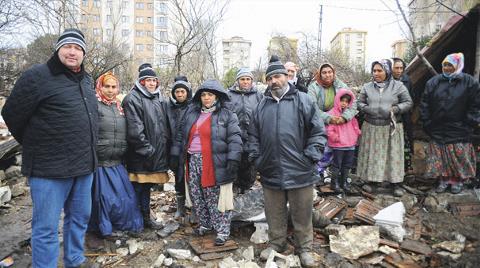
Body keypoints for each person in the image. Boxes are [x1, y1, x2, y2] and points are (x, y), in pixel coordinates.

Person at [2, 29, 97, 267]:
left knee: (79, 219)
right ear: (58, 49)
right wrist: (37, 144)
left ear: (84, 52)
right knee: (46, 227)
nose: (72, 51)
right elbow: (11, 114)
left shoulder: (86, 80)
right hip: (48, 170)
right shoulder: (37, 76)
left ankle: (75, 259)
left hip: (84, 166)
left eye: (78, 47)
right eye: (67, 46)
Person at [248, 55, 326, 268]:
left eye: (278, 76)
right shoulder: (261, 106)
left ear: (287, 77)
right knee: (275, 213)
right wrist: (257, 159)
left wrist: (310, 156)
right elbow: (253, 136)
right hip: (270, 169)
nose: (274, 81)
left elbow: (318, 131)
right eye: (270, 77)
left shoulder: (303, 100)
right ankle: (276, 243)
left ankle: (305, 249)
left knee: (302, 214)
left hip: (300, 170)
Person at [171, 79, 242, 246]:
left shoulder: (226, 115)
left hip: (214, 161)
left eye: (210, 94)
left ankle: (222, 230)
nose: (206, 98)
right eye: (203, 95)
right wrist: (175, 154)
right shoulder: (192, 113)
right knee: (197, 194)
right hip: (192, 160)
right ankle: (205, 224)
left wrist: (233, 158)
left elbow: (235, 138)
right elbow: (181, 135)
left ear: (217, 96)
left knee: (215, 197)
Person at [88, 72, 143, 239]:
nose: (110, 90)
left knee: (126, 199)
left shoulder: (119, 106)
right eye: (107, 86)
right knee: (104, 200)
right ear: (100, 87)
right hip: (100, 163)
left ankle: (124, 226)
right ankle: (104, 230)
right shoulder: (94, 106)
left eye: (113, 87)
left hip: (117, 161)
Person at [420, 53, 480, 194]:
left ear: (458, 66)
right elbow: (424, 103)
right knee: (440, 157)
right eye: (444, 65)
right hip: (437, 127)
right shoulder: (434, 82)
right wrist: (427, 122)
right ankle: (443, 180)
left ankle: (457, 181)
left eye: (450, 65)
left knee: (458, 157)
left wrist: (469, 123)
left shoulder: (469, 82)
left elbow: (476, 105)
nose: (446, 68)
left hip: (460, 128)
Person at [123, 64, 170, 229]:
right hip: (141, 156)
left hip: (154, 155)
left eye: (154, 80)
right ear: (141, 82)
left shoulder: (156, 98)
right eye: (148, 80)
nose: (151, 83)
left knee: (146, 190)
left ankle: (145, 220)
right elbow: (135, 130)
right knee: (136, 190)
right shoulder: (133, 98)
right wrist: (148, 150)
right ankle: (134, 223)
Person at [356, 59, 413, 197]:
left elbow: (408, 102)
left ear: (387, 71)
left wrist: (396, 108)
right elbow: (359, 102)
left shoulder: (398, 86)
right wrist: (368, 109)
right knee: (374, 155)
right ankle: (372, 181)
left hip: (391, 127)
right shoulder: (367, 87)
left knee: (392, 155)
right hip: (372, 126)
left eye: (379, 70)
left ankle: (395, 184)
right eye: (374, 70)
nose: (376, 73)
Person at [226, 67, 262, 193]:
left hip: (252, 135)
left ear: (251, 81)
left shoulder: (258, 95)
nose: (245, 82)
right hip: (235, 135)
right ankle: (235, 187)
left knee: (250, 162)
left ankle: (247, 187)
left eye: (248, 79)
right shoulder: (229, 94)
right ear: (238, 81)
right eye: (242, 79)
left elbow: (262, 113)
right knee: (235, 161)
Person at [326, 89, 361, 193]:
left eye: (346, 102)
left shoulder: (350, 114)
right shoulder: (332, 113)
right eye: (342, 101)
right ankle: (334, 183)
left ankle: (344, 182)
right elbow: (329, 129)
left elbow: (355, 125)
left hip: (350, 144)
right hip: (338, 144)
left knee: (347, 164)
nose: (344, 103)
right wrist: (334, 137)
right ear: (337, 100)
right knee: (337, 164)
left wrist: (357, 133)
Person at [167, 75, 192, 218]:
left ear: (187, 92)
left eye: (183, 91)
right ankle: (180, 207)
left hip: (189, 148)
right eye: (177, 92)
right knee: (179, 178)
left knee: (193, 179)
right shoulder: (169, 107)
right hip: (174, 148)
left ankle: (194, 208)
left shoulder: (193, 107)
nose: (180, 94)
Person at [392, 58, 414, 174]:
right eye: (396, 68)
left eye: (401, 68)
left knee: (404, 143)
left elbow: (411, 98)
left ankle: (404, 171)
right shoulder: (387, 81)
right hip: (389, 117)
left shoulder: (407, 80)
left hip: (404, 117)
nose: (399, 70)